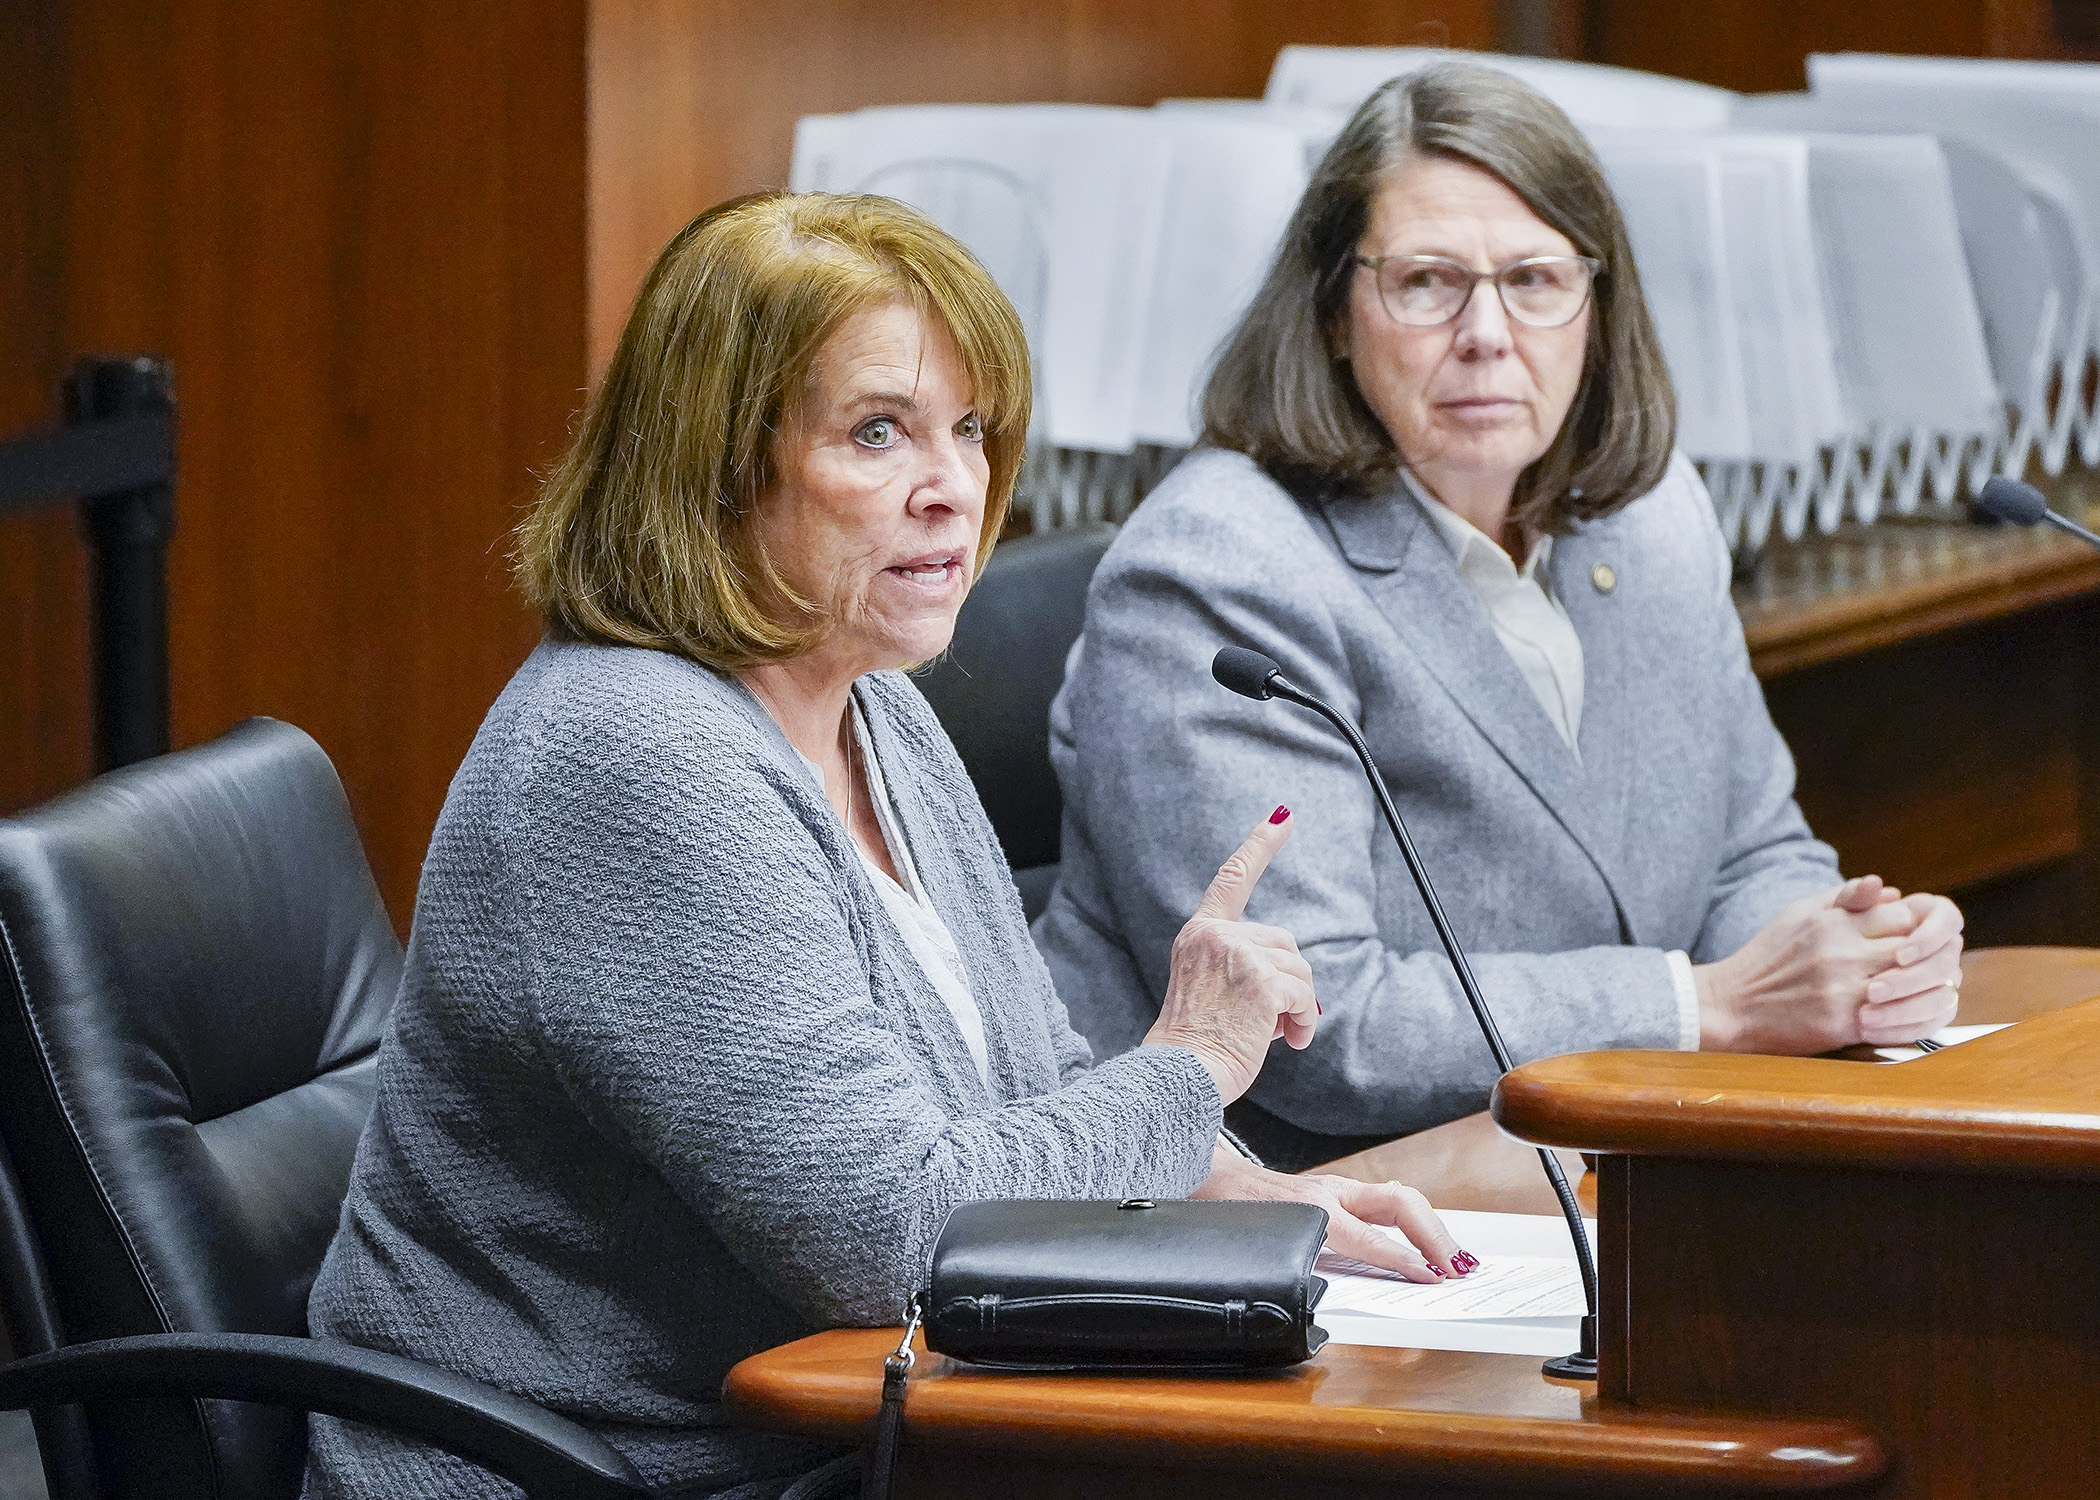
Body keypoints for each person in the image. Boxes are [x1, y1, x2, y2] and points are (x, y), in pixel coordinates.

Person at [302, 192, 1465, 1500]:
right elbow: (897, 1236)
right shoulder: (633, 756)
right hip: (616, 1472)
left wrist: (1221, 1189)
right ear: (719, 462)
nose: (952, 486)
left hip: (849, 1435)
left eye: (967, 429)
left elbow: (1027, 1078)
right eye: (878, 433)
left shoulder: (870, 699)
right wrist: (1194, 1064)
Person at [1033, 63, 1966, 1171]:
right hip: (1299, 1211)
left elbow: (1747, 849)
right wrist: (1702, 1004)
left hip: (1592, 1167)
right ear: (1335, 312)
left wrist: (1849, 956)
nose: (1486, 331)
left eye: (1534, 278)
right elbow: (1318, 1030)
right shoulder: (1222, 567)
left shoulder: (1652, 516)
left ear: (1595, 307)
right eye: (1428, 282)